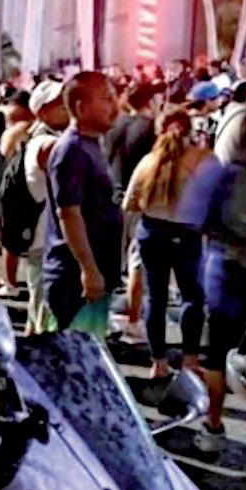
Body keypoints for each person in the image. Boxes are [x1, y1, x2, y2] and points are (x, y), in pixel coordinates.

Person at [178, 105, 246, 453]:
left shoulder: (220, 173)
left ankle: (213, 425)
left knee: (216, 353)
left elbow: (194, 220)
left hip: (224, 274)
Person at [123, 108, 211, 387]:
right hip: (188, 232)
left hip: (152, 231)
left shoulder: (149, 162)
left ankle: (158, 362)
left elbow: (129, 203)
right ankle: (191, 359)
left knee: (156, 297)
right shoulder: (203, 160)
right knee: (192, 296)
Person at [42, 71, 122, 341]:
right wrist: (89, 270)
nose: (115, 106)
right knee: (73, 357)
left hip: (96, 275)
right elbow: (69, 214)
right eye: (106, 99)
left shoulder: (92, 145)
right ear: (81, 108)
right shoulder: (71, 151)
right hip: (73, 281)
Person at [2, 80, 69, 334]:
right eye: (60, 104)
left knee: (37, 312)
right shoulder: (48, 145)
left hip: (43, 241)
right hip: (46, 242)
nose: (67, 107)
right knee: (46, 320)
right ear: (43, 111)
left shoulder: (39, 139)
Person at [106, 81, 160, 343]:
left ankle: (109, 314)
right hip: (138, 199)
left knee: (113, 260)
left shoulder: (115, 124)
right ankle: (134, 319)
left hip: (112, 196)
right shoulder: (150, 127)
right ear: (150, 101)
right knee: (137, 262)